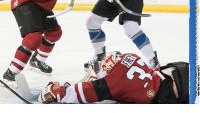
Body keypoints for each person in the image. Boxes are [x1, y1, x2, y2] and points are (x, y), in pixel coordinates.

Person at [38, 51, 189, 104]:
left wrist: (54, 91)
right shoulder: (132, 57)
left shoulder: (112, 83)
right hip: (176, 71)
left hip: (179, 90)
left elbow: (81, 92)